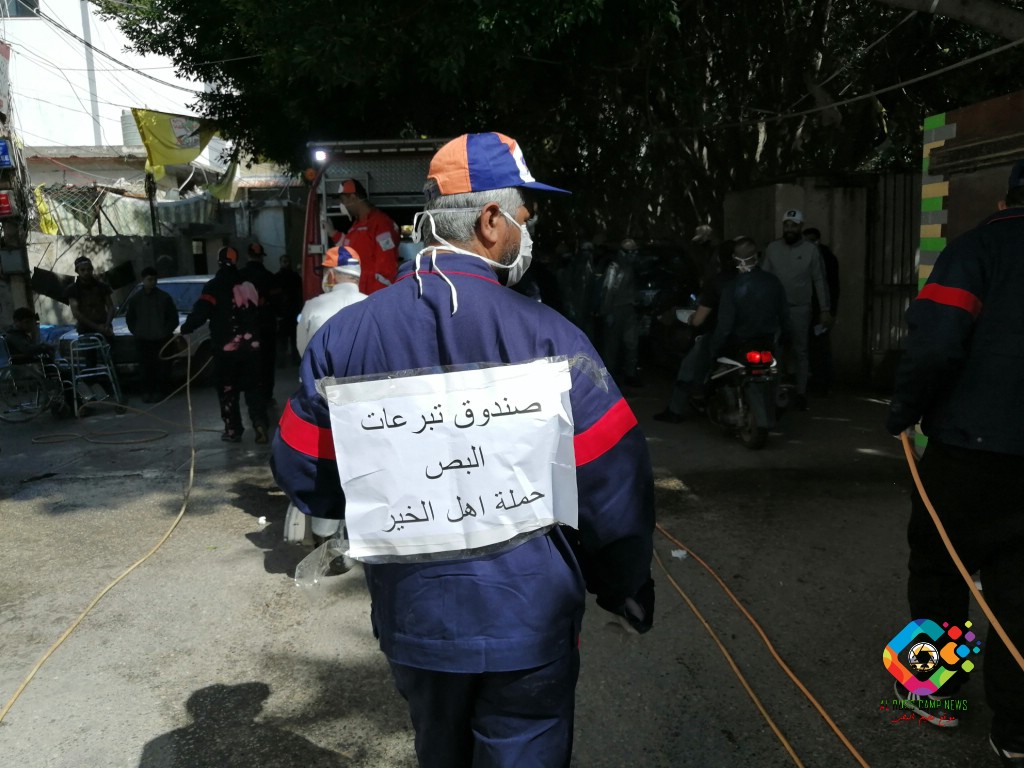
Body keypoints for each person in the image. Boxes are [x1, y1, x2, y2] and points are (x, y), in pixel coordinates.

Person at [272, 131, 655, 768]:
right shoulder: (551, 338)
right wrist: (623, 586)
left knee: (439, 751)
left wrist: (377, 501)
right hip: (529, 625)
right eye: (525, 217)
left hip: (416, 622)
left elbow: (301, 469)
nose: (528, 232)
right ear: (490, 221)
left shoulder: (343, 339)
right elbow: (614, 483)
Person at [886, 161, 1024, 763]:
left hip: (969, 451)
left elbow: (937, 342)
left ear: (1004, 199)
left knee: (942, 568)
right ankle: (1016, 730)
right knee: (1021, 588)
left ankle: (935, 694)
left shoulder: (976, 251)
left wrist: (905, 410)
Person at [181, 246, 270, 444]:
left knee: (228, 389)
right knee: (254, 388)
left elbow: (201, 312)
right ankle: (260, 423)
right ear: (236, 261)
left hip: (226, 349)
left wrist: (187, 327)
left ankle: (233, 430)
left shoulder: (214, 286)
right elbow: (261, 310)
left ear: (219, 262)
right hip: (252, 348)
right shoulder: (249, 285)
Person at [653, 241, 738, 423]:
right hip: (749, 336)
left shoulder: (717, 283)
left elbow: (699, 319)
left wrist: (691, 319)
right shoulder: (754, 280)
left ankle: (675, 410)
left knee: (687, 370)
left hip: (718, 335)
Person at [761, 210, 832, 411]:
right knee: (775, 351)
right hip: (776, 310)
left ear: (800, 226)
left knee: (801, 351)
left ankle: (801, 393)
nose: (790, 229)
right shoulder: (773, 248)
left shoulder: (811, 250)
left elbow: (819, 280)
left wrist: (825, 309)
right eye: (787, 225)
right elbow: (764, 277)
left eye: (794, 225)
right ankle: (775, 392)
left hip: (800, 309)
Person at [709, 237, 788, 359]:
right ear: (756, 256)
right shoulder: (773, 281)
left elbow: (724, 326)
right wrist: (785, 338)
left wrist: (714, 349)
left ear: (734, 258)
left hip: (740, 346)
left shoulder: (731, 287)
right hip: (769, 343)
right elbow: (784, 315)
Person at [330, 178, 400, 296]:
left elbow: (386, 270)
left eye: (343, 200)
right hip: (356, 296)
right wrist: (333, 233)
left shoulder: (380, 224)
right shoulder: (355, 227)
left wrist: (373, 301)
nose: (342, 205)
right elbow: (348, 250)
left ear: (353, 198)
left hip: (371, 298)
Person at [295, 246, 366, 356]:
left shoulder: (312, 306)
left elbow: (303, 350)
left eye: (325, 272)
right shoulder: (375, 305)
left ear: (331, 275)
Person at [125, 267, 179, 403]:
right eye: (149, 279)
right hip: (143, 340)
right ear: (143, 280)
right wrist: (137, 332)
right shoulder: (136, 299)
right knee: (145, 368)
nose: (152, 282)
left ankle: (160, 391)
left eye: (155, 279)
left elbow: (173, 318)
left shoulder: (164, 297)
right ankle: (147, 392)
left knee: (162, 368)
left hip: (161, 339)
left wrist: (164, 332)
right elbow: (130, 319)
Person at [597, 238, 642, 388]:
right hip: (615, 310)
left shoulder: (631, 268)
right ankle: (609, 376)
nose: (633, 255)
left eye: (634, 251)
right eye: (630, 252)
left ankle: (630, 375)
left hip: (629, 310)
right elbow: (608, 290)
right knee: (612, 345)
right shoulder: (614, 268)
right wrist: (606, 311)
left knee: (631, 344)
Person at [239, 242, 280, 403]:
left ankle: (252, 395)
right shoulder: (270, 277)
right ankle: (266, 394)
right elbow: (278, 303)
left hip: (245, 327)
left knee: (249, 362)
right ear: (262, 257)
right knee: (267, 362)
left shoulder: (239, 277)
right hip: (266, 326)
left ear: (247, 256)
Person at [803, 227, 840, 395]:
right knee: (818, 347)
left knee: (818, 347)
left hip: (819, 311)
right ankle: (822, 382)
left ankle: (822, 383)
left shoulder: (824, 258)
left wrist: (827, 311)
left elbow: (830, 286)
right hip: (818, 310)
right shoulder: (823, 256)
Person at [65, 256, 114, 338]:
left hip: (105, 328)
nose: (86, 272)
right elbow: (76, 313)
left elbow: (111, 307)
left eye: (89, 269)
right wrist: (97, 327)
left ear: (92, 269)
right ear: (77, 271)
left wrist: (107, 325)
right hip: (85, 330)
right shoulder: (72, 289)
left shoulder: (102, 286)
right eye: (82, 270)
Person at [275, 254, 304, 367]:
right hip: (288, 312)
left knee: (290, 339)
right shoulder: (294, 277)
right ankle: (289, 361)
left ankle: (287, 361)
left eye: (287, 261)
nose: (286, 263)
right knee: (288, 339)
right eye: (284, 261)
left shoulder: (281, 277)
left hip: (289, 311)